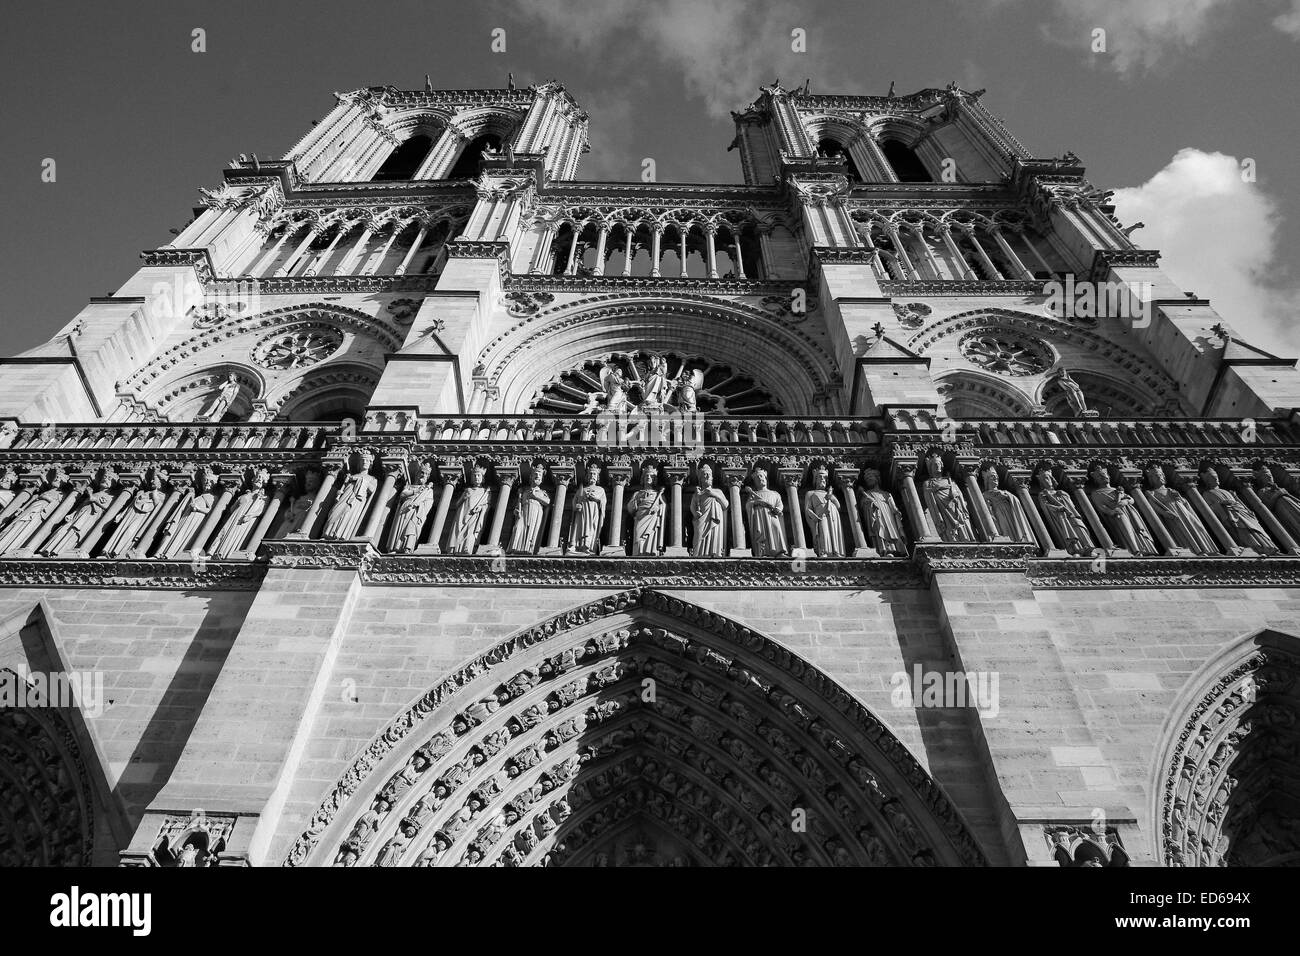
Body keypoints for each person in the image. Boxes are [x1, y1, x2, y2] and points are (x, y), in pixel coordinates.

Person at [745, 468, 788, 557]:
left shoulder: (774, 493)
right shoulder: (754, 494)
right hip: (760, 515)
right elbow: (748, 505)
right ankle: (763, 552)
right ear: (755, 482)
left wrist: (778, 509)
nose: (760, 479)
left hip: (772, 514)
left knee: (776, 528)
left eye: (761, 476)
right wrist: (757, 502)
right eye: (757, 478)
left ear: (765, 479)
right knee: (762, 532)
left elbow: (779, 504)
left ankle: (779, 551)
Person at [626, 463, 666, 556]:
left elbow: (663, 506)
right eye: (646, 476)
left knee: (650, 534)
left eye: (651, 476)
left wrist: (658, 508)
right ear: (643, 478)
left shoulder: (658, 494)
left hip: (652, 517)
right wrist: (636, 502)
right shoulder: (637, 493)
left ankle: (650, 551)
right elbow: (630, 508)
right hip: (640, 516)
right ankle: (638, 553)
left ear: (654, 479)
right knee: (638, 537)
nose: (648, 477)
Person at [689, 464, 727, 557]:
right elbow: (692, 506)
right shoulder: (697, 494)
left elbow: (725, 504)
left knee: (714, 535)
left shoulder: (718, 491)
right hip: (701, 519)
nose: (708, 476)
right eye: (705, 475)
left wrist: (713, 494)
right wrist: (695, 513)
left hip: (714, 520)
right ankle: (698, 554)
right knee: (698, 535)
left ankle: (714, 552)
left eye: (709, 475)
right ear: (701, 479)